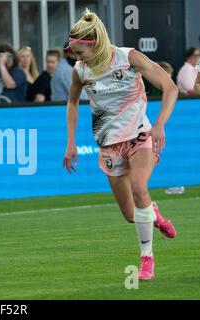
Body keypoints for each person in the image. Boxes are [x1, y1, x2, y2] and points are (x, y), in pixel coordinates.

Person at [62, 9, 178, 281]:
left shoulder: (128, 58)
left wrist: (159, 124)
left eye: (79, 53)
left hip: (139, 136)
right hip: (109, 145)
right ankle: (155, 215)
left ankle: (146, 258)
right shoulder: (81, 71)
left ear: (94, 44)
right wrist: (70, 142)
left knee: (139, 188)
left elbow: (170, 87)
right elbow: (72, 102)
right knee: (130, 214)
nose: (76, 59)